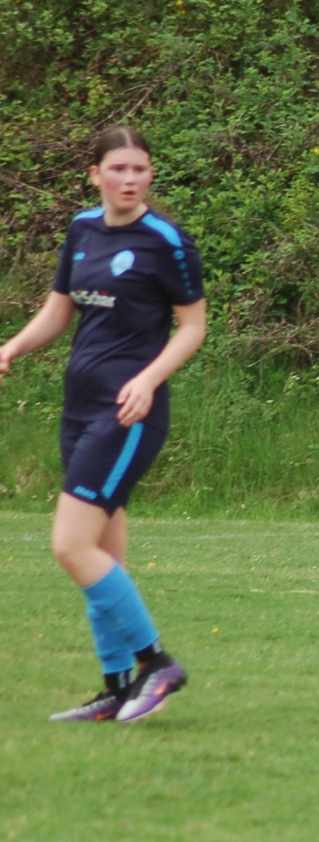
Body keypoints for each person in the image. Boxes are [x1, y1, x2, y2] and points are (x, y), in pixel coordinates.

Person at [0, 127, 207, 723]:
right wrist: (13, 347)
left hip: (129, 412)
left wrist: (148, 379)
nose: (130, 179)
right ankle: (116, 688)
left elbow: (193, 326)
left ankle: (158, 664)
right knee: (100, 555)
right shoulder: (82, 229)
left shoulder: (166, 241)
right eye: (118, 168)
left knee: (70, 545)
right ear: (95, 174)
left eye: (140, 169)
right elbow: (58, 310)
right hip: (79, 407)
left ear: (150, 173)